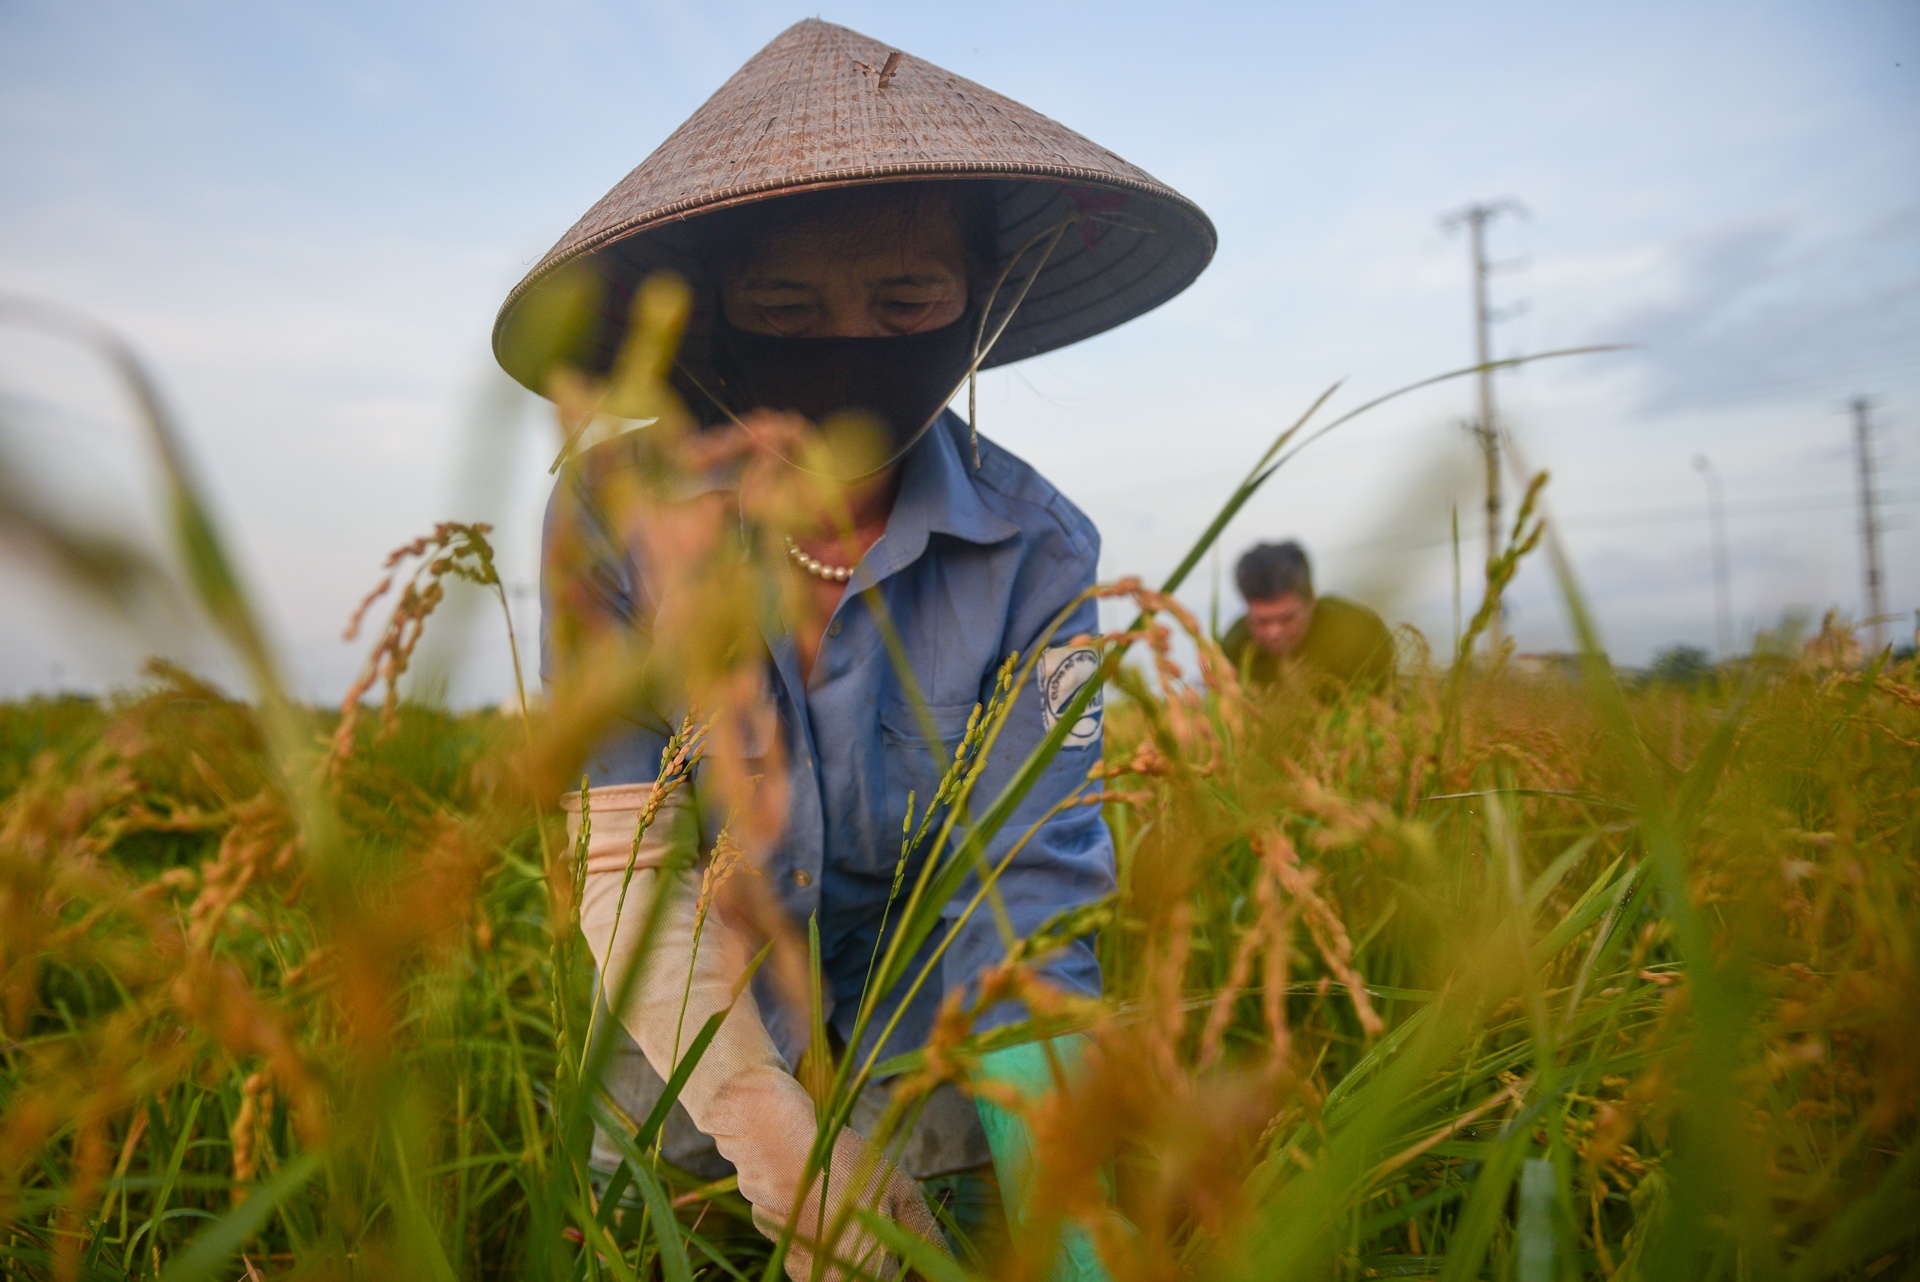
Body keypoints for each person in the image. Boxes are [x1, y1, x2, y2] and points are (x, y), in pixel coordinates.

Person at [494, 20, 1214, 1279]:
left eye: (907, 301)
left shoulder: (1032, 547)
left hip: (921, 1069)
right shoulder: (614, 514)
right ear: (717, 317)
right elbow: (627, 855)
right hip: (680, 1069)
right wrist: (778, 1145)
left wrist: (1070, 1214)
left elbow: (1025, 895)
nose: (851, 341)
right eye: (787, 305)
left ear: (977, 302)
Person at [1221, 541, 1395, 696]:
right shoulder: (1235, 647)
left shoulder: (1359, 633)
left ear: (1311, 602)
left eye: (1287, 618)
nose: (1274, 632)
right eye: (1261, 621)